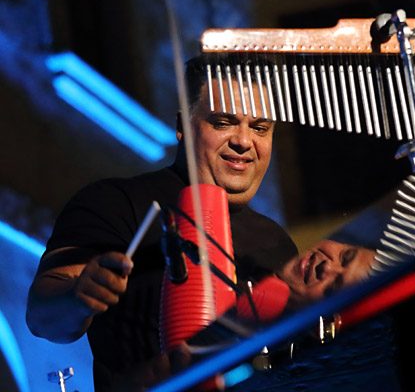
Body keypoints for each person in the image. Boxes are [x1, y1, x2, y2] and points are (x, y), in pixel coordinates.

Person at [26, 58, 298, 391]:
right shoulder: (116, 202)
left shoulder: (278, 243)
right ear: (184, 126)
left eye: (260, 128)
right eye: (224, 122)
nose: (244, 141)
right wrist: (78, 295)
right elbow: (42, 318)